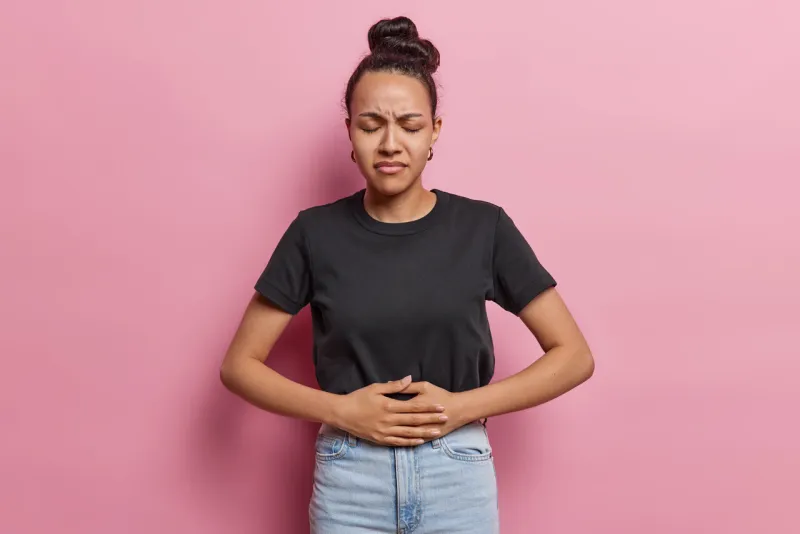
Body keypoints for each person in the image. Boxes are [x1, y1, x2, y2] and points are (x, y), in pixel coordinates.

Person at [220, 15, 594, 533]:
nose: (390, 143)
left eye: (410, 126)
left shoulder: (483, 227)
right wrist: (342, 411)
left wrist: (461, 407)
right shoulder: (314, 233)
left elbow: (574, 355)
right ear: (350, 132)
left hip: (456, 473)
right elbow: (239, 365)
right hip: (351, 478)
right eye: (370, 125)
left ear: (434, 131)